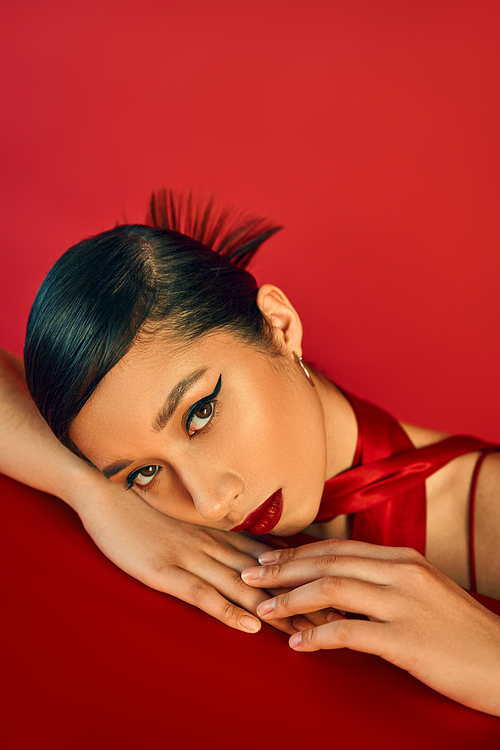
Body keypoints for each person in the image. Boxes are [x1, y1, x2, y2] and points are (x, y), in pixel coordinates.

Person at [0, 189, 499, 716]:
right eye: (145, 472)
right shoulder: (154, 509)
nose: (211, 505)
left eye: (200, 413)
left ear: (279, 326)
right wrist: (94, 493)